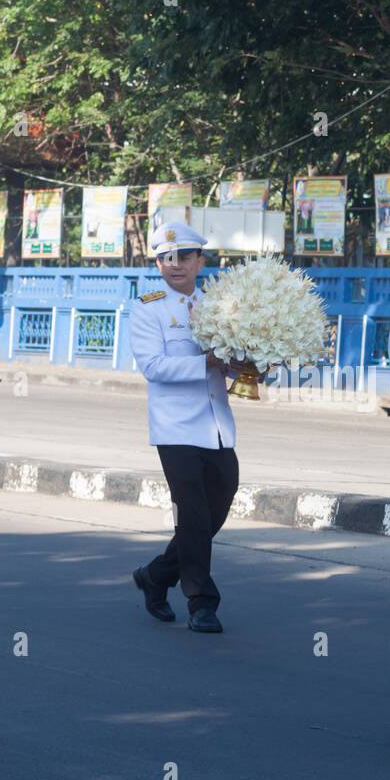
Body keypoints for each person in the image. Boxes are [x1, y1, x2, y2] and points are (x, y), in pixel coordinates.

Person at [128, 221, 246, 633]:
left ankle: (157, 575)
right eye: (166, 258)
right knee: (193, 515)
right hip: (175, 428)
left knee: (219, 504)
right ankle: (201, 601)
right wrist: (207, 362)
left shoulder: (221, 303)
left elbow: (238, 356)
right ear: (159, 263)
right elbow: (154, 367)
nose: (175, 265)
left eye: (184, 256)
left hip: (216, 425)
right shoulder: (147, 305)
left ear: (200, 260)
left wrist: (254, 364)